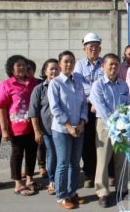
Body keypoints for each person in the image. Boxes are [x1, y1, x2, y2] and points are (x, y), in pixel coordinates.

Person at [89, 53, 130, 208]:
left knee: (122, 158)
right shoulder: (98, 85)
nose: (113, 67)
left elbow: (128, 104)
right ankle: (103, 192)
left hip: (123, 126)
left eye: (116, 64)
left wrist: (126, 121)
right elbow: (100, 107)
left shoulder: (123, 84)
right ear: (103, 66)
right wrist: (115, 123)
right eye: (110, 64)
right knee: (103, 159)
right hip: (105, 126)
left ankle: (123, 189)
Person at [48, 51, 88, 209]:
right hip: (62, 130)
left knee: (75, 163)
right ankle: (61, 196)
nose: (69, 64)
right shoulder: (55, 83)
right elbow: (55, 108)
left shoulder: (77, 82)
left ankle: (72, 192)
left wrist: (82, 121)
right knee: (63, 163)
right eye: (66, 61)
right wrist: (68, 126)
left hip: (78, 128)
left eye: (72, 61)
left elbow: (84, 103)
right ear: (59, 64)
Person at [0, 55, 39, 196]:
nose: (22, 68)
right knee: (17, 154)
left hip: (33, 126)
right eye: (18, 65)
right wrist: (4, 130)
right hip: (15, 129)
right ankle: (18, 183)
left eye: (24, 65)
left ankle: (30, 179)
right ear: (11, 69)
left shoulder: (35, 83)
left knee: (32, 153)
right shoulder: (6, 84)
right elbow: (1, 107)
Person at [74, 32, 103, 188]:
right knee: (87, 142)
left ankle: (105, 172)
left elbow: (106, 83)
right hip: (86, 108)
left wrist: (96, 99)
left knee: (104, 141)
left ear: (100, 48)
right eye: (90, 46)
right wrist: (94, 98)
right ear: (84, 49)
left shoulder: (105, 63)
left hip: (102, 108)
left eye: (96, 46)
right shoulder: (78, 65)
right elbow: (80, 85)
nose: (93, 49)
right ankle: (89, 174)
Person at [28, 59, 60, 195]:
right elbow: (33, 112)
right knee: (52, 155)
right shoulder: (39, 89)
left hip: (64, 128)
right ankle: (52, 180)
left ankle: (62, 180)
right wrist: (37, 131)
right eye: (51, 69)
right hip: (48, 130)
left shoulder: (64, 85)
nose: (54, 71)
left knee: (63, 156)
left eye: (57, 68)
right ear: (45, 71)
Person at [26, 59, 47, 178]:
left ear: (34, 70)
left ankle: (41, 166)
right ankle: (21, 170)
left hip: (37, 120)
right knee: (15, 150)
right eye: (24, 68)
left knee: (39, 145)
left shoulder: (39, 83)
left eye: (29, 69)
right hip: (17, 123)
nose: (26, 71)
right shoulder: (10, 84)